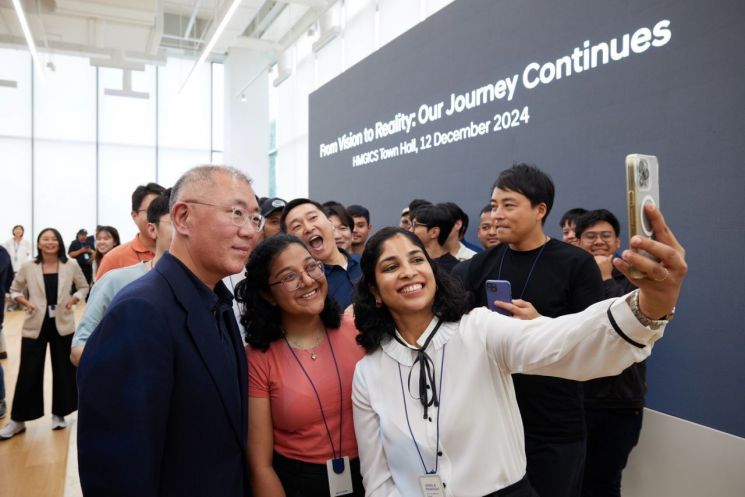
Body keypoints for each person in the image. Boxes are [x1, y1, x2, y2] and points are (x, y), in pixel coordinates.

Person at [351, 218, 685, 497]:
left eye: (417, 259)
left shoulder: (480, 330)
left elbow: (564, 341)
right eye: (391, 266)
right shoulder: (369, 372)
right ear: (376, 293)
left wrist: (650, 304)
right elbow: (378, 477)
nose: (408, 271)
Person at [77, 166, 262, 496]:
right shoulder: (139, 313)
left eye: (255, 219)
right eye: (236, 213)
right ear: (183, 217)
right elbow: (118, 475)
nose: (249, 231)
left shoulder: (216, 301)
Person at [454, 165, 604, 497]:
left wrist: (543, 327)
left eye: (509, 205)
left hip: (554, 424)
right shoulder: (481, 265)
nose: (497, 215)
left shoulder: (576, 264)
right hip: (494, 421)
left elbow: (594, 341)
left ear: (540, 210)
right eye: (494, 205)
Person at [236, 234, 366, 497]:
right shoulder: (258, 359)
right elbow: (261, 466)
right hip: (300, 483)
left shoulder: (359, 332)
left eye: (311, 266)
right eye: (289, 276)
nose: (307, 280)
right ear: (267, 294)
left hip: (371, 475)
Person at [575, 209, 643, 497]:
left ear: (617, 243)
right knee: (571, 478)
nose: (598, 241)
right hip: (576, 399)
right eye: (590, 236)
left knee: (604, 482)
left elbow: (619, 328)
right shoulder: (571, 279)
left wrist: (604, 278)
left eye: (605, 236)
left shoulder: (634, 280)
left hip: (619, 402)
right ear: (578, 242)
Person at [0, 228, 88, 440]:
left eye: (54, 239)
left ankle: (59, 414)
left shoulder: (71, 265)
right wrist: (25, 302)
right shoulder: (29, 266)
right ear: (39, 243)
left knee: (63, 370)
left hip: (63, 323)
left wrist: (73, 299)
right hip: (35, 324)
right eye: (45, 239)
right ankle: (18, 420)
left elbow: (84, 287)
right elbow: (14, 290)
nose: (50, 242)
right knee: (28, 371)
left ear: (59, 242)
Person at [70, 192, 173, 366]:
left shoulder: (208, 283)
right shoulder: (117, 274)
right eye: (175, 223)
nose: (187, 231)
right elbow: (82, 345)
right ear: (153, 228)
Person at [281, 199, 361, 310]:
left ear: (330, 223)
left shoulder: (366, 263)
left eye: (313, 218)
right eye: (297, 226)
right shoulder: (308, 288)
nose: (308, 228)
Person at [95, 182, 165, 280]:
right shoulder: (114, 259)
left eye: (165, 211)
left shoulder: (181, 253)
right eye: (152, 210)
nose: (159, 216)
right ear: (134, 216)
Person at [410, 203, 460, 273]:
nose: (410, 230)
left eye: (415, 225)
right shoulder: (410, 263)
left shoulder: (454, 269)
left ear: (434, 232)